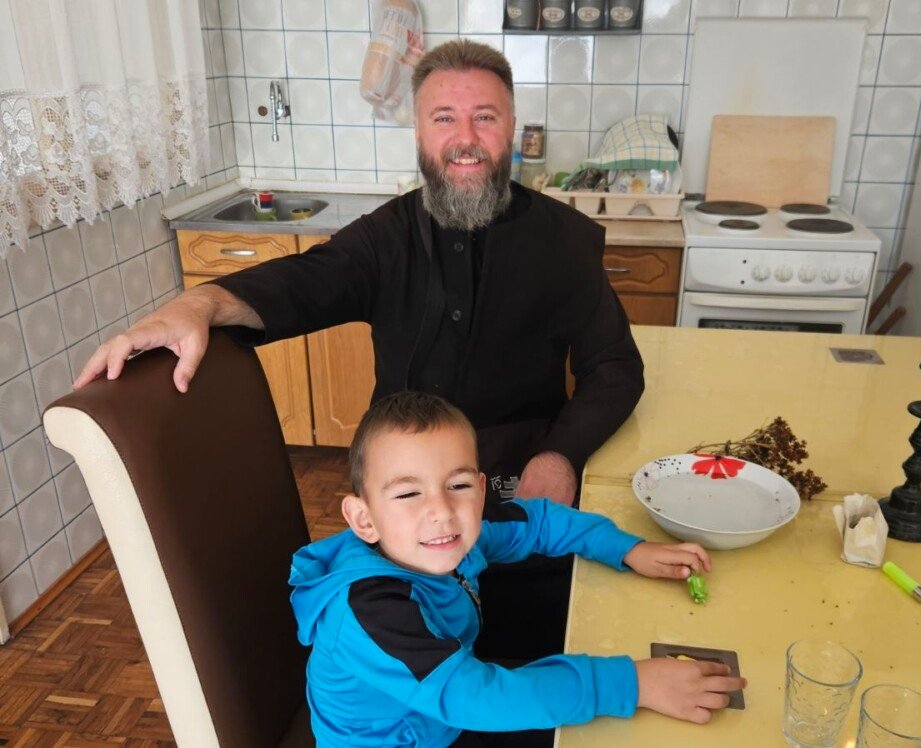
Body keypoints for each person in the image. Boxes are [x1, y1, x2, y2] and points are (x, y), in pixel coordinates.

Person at [73, 39, 643, 659]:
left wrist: (560, 455)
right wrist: (199, 304)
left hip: (520, 489)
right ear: (419, 132)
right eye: (444, 118)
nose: (466, 138)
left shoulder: (564, 240)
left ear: (512, 127)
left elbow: (615, 367)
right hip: (403, 509)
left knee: (538, 644)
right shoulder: (384, 238)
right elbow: (299, 284)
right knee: (411, 656)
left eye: (485, 116)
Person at [291, 391, 746, 748]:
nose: (442, 511)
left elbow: (539, 522)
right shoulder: (367, 609)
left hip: (443, 716)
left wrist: (628, 549)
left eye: (458, 485)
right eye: (409, 493)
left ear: (481, 489)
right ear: (364, 519)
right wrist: (634, 683)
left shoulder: (453, 536)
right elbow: (474, 697)